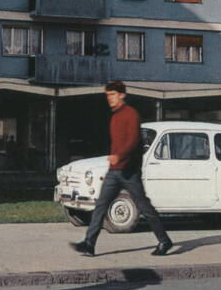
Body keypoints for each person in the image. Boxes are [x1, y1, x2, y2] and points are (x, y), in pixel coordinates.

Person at [70, 80, 173, 257]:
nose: (109, 98)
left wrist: (120, 156)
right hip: (114, 171)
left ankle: (164, 241)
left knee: (144, 207)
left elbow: (133, 141)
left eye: (112, 95)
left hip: (129, 172)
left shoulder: (131, 114)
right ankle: (89, 243)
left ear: (122, 95)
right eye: (107, 95)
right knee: (101, 205)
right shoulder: (114, 116)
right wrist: (114, 158)